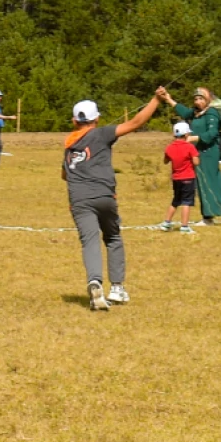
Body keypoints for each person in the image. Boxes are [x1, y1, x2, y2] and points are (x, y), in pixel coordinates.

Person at [64, 93, 164, 311]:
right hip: (105, 196)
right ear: (96, 119)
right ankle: (117, 288)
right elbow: (136, 122)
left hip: (79, 200)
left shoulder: (70, 145)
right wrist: (156, 100)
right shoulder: (103, 133)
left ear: (74, 121)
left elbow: (65, 174)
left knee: (90, 241)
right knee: (113, 237)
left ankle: (94, 282)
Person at [159, 86, 221, 224]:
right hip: (198, 152)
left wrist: (193, 138)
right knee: (199, 183)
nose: (197, 101)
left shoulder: (211, 114)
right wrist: (168, 99)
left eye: (201, 98)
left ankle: (209, 216)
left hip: (208, 153)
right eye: (196, 99)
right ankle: (207, 216)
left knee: (207, 182)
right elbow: (184, 112)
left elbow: (212, 133)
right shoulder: (197, 112)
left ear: (207, 100)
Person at [159, 122, 199, 233]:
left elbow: (165, 161)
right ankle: (185, 226)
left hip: (176, 178)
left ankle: (167, 222)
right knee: (187, 202)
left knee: (176, 200)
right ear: (186, 135)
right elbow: (196, 162)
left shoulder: (169, 147)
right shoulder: (189, 147)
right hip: (188, 178)